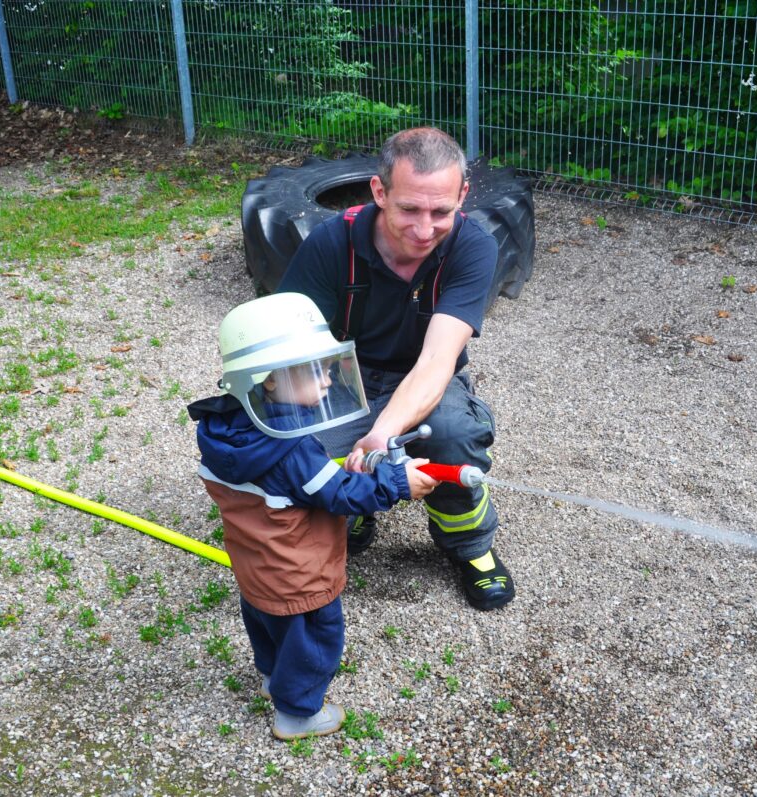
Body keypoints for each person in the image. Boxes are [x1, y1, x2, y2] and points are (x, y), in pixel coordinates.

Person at [277, 126, 516, 611]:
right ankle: (356, 506)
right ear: (379, 191)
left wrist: (382, 435)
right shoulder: (329, 243)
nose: (424, 230)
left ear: (462, 196)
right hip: (342, 375)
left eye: (441, 211)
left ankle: (470, 545)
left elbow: (437, 361)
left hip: (424, 375)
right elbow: (291, 350)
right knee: (297, 453)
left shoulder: (474, 247)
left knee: (453, 435)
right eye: (409, 209)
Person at [188, 293, 437, 740]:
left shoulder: (221, 431)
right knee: (314, 641)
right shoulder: (293, 450)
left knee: (267, 623)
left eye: (327, 366)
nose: (327, 379)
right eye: (312, 370)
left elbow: (299, 484)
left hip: (255, 566)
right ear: (268, 380)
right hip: (300, 576)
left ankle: (272, 678)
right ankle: (297, 714)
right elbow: (342, 494)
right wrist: (398, 482)